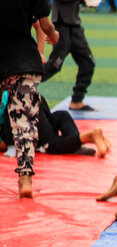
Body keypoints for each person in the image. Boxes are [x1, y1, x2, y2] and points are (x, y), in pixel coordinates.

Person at [0, 0, 59, 198]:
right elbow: (45, 25)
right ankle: (25, 177)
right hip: (22, 59)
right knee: (23, 121)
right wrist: (53, 34)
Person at [0, 92, 110, 157]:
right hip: (33, 96)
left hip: (24, 112)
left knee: (49, 144)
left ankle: (87, 136)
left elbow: (4, 145)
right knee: (61, 116)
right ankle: (76, 144)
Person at [42, 0, 96, 111]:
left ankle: (77, 100)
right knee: (54, 65)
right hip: (61, 26)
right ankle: (22, 83)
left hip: (75, 26)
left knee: (88, 63)